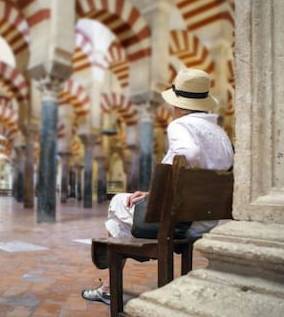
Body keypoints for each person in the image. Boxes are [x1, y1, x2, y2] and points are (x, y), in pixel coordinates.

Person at [81, 68, 234, 305]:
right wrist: (154, 193)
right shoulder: (221, 134)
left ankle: (111, 284)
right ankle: (117, 270)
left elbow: (189, 153)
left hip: (175, 223)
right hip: (204, 222)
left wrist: (165, 187)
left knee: (117, 202)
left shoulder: (180, 126)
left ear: (178, 105)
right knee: (126, 206)